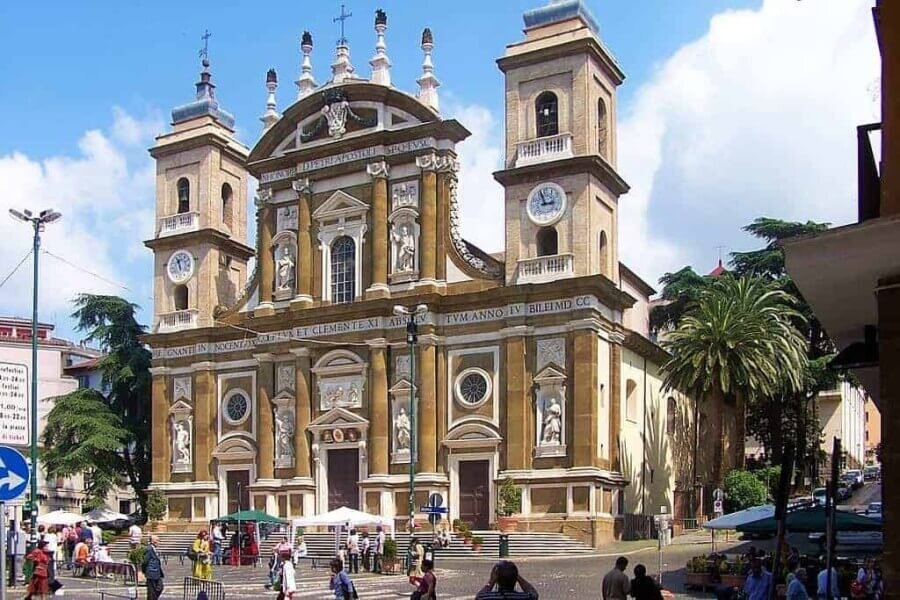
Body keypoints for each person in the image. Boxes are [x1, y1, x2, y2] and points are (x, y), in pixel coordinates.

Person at [142, 535, 165, 600]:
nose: (159, 542)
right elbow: (145, 561)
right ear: (153, 541)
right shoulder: (149, 549)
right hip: (151, 572)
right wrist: (145, 571)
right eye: (158, 540)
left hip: (157, 573)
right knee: (151, 591)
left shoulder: (154, 548)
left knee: (160, 587)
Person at [7, 518, 26, 587]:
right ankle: (17, 583)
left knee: (12, 569)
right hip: (20, 552)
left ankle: (11, 582)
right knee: (18, 569)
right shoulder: (22, 532)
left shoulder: (9, 532)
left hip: (11, 552)